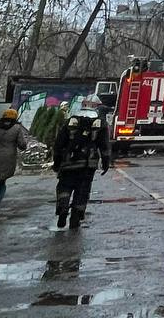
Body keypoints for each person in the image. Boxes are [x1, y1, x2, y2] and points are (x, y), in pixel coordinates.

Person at [52, 96, 110, 230]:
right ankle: (75, 219)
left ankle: (63, 207)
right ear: (96, 106)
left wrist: (57, 162)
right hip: (88, 164)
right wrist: (106, 162)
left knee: (64, 186)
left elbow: (59, 144)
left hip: (69, 161)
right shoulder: (100, 123)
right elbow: (104, 145)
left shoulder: (71, 121)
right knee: (82, 190)